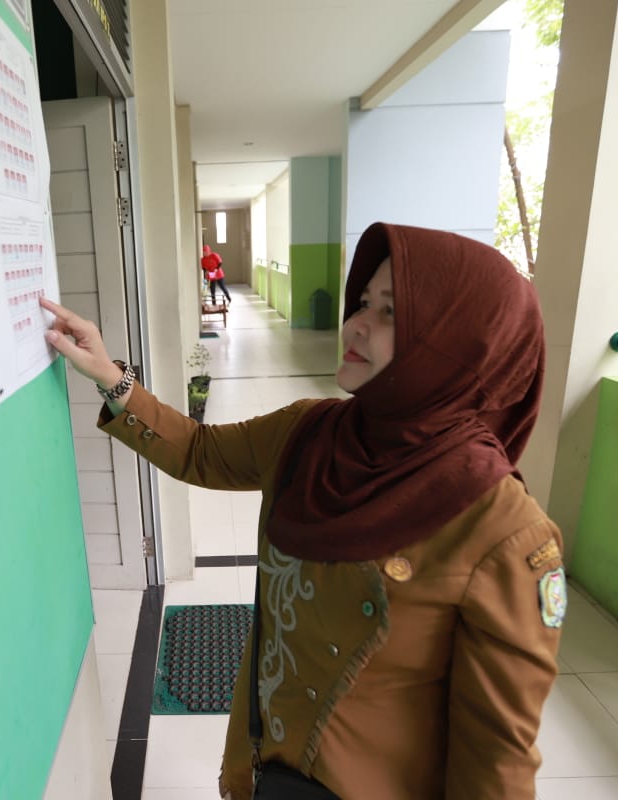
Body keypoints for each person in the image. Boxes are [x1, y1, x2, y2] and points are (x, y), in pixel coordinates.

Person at [41, 222, 564, 800]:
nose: (357, 323)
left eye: (391, 313)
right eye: (364, 301)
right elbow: (200, 452)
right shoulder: (310, 432)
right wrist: (112, 377)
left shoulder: (502, 532)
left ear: (457, 348)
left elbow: (497, 767)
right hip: (263, 772)